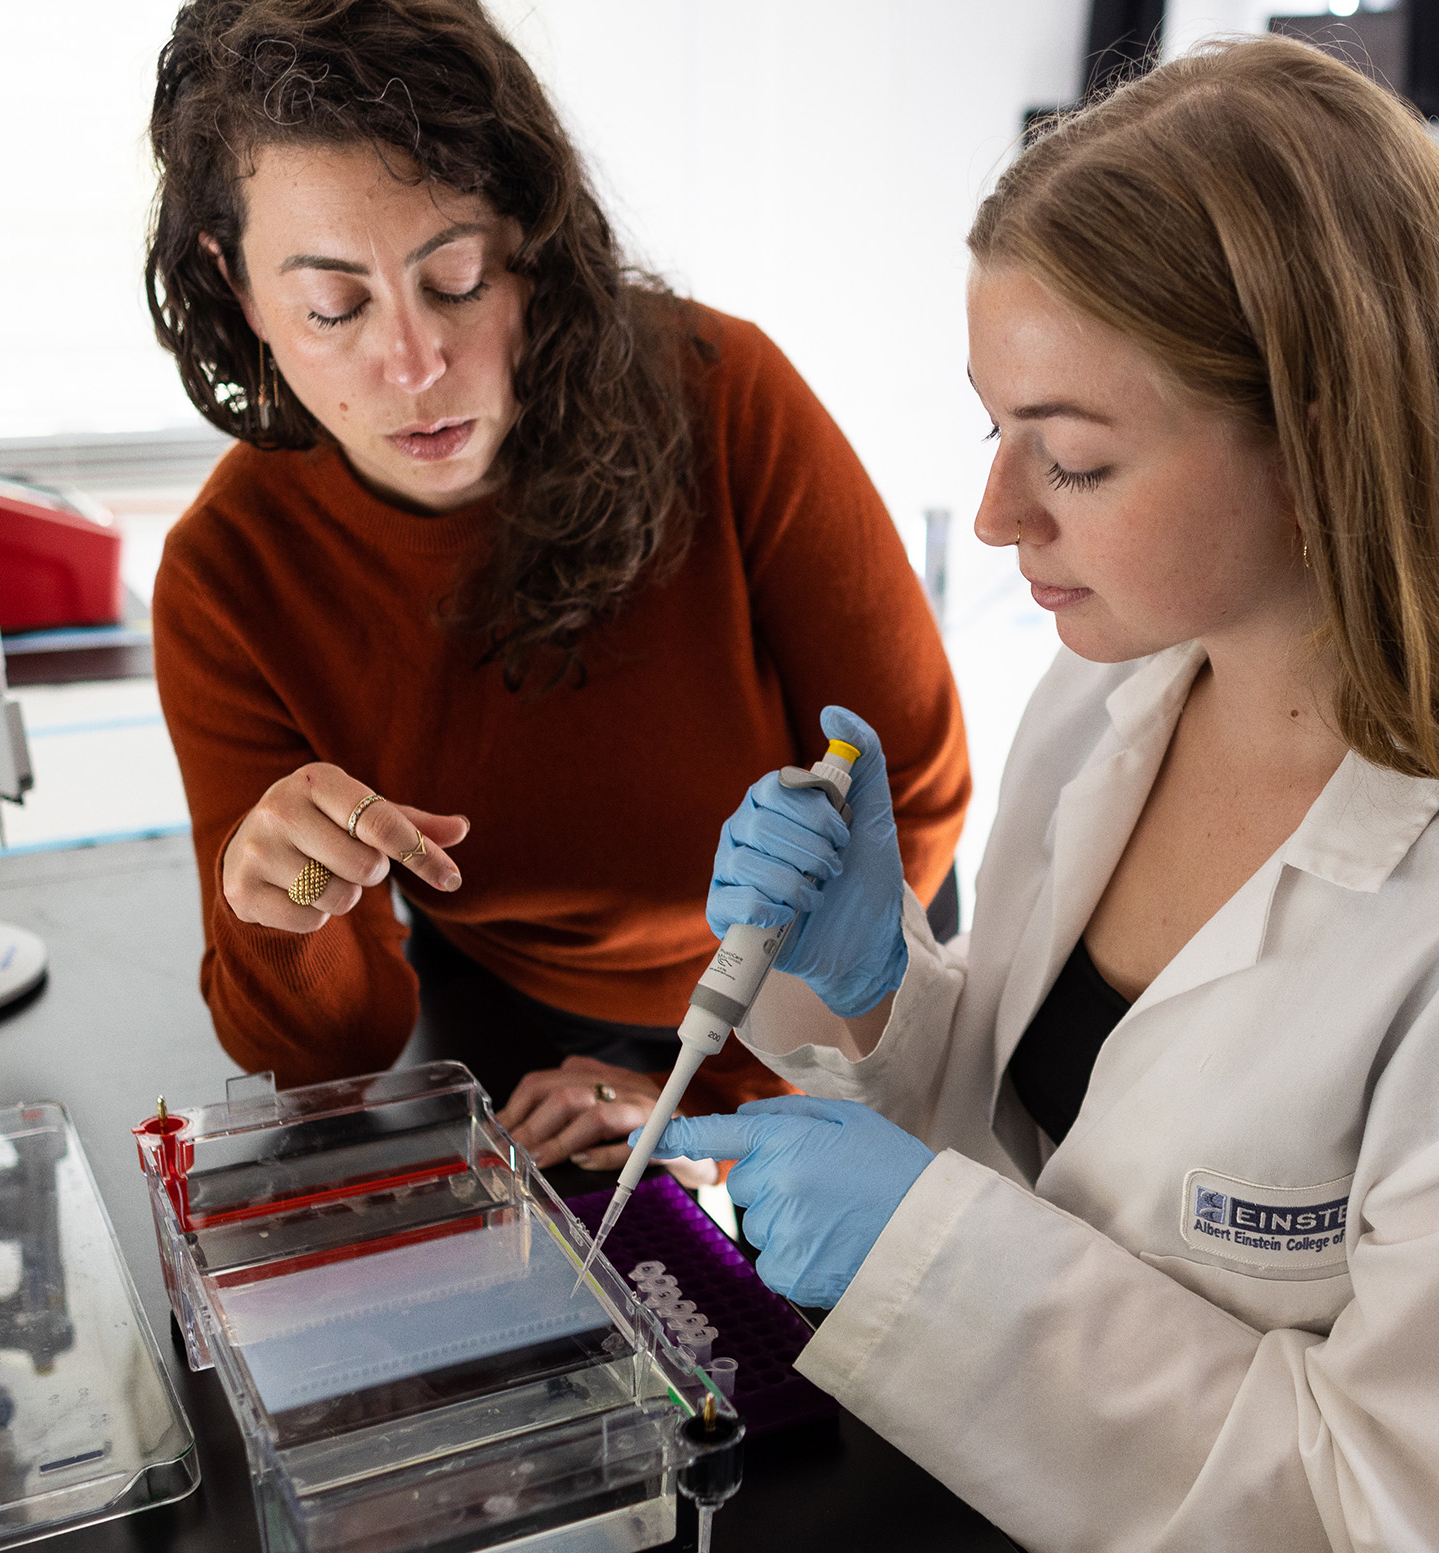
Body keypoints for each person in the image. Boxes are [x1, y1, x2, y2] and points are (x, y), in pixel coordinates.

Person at [646, 36, 1439, 1553]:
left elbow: (1395, 1516)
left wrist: (926, 1257)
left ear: (1318, 450)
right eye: (996, 430)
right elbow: (1074, 1149)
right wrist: (889, 989)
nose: (997, 513)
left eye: (1076, 462)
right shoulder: (1117, 693)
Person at [141, 0, 968, 1167]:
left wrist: (703, 1090)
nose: (416, 367)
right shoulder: (228, 577)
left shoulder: (724, 398)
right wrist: (281, 910)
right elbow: (331, 1059)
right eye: (335, 307)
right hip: (518, 1018)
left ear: (531, 240)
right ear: (236, 287)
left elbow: (914, 793)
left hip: (829, 982)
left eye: (461, 278)